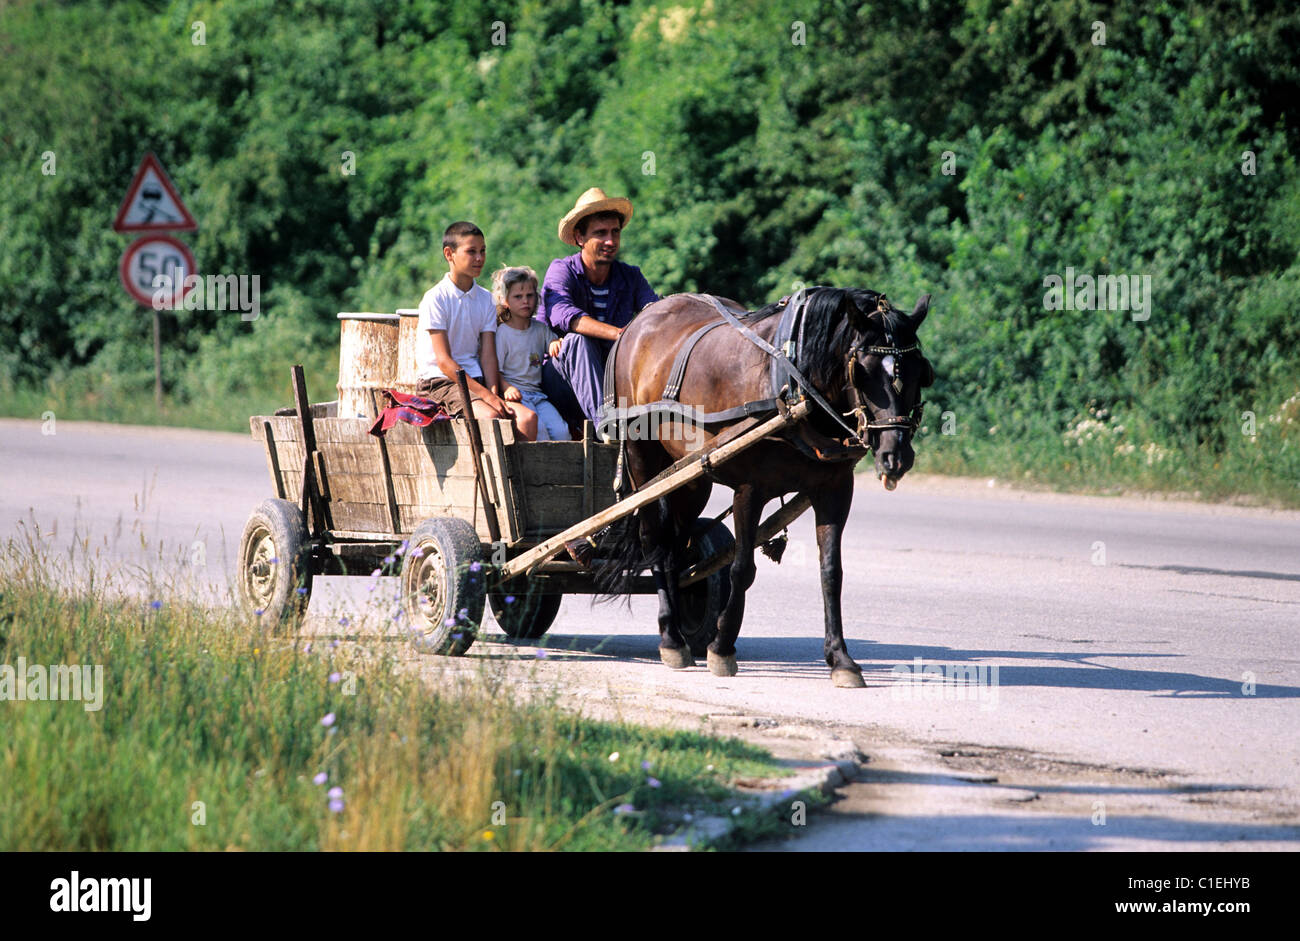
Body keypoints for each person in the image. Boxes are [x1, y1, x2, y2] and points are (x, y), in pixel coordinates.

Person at [538, 188, 660, 428]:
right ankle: (607, 428)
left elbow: (655, 311)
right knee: (577, 341)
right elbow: (565, 316)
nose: (611, 241)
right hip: (561, 380)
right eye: (601, 233)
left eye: (615, 232)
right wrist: (619, 334)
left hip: (611, 376)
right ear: (579, 238)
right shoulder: (562, 270)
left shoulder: (630, 276)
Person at [414, 221, 538, 440]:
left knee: (527, 418)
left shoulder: (485, 300)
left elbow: (488, 355)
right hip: (441, 382)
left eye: (482, 251)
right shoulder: (436, 298)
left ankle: (519, 475)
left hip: (476, 380)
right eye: (471, 252)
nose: (479, 258)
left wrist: (493, 392)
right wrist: (487, 398)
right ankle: (492, 475)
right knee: (492, 417)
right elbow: (444, 362)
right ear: (449, 254)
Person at [490, 265, 570, 442]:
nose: (525, 301)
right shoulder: (503, 333)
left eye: (530, 296)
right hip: (517, 396)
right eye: (518, 297)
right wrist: (507, 388)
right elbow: (495, 370)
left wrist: (555, 343)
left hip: (538, 395)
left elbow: (553, 341)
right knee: (539, 431)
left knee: (561, 432)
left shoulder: (540, 329)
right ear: (505, 301)